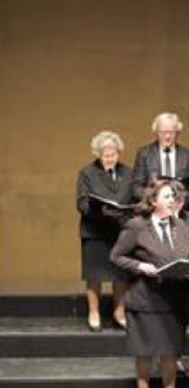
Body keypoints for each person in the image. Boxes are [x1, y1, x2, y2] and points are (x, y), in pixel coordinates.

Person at [110, 180, 189, 388]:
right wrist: (140, 266)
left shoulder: (181, 225)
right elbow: (116, 256)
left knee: (170, 351)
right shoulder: (136, 226)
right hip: (145, 298)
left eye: (173, 197)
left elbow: (188, 254)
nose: (172, 201)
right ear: (153, 201)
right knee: (144, 352)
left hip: (173, 299)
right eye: (167, 197)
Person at [76, 131, 133, 331]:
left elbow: (135, 198)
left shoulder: (128, 173)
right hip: (95, 231)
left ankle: (119, 312)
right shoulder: (87, 173)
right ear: (98, 154)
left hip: (120, 231)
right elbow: (81, 203)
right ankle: (94, 312)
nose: (110, 158)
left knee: (121, 275)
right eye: (106, 154)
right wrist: (99, 210)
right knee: (94, 275)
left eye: (113, 154)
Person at [131, 112, 189, 201]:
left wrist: (178, 200)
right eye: (163, 132)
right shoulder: (144, 154)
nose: (167, 136)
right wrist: (156, 197)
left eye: (171, 132)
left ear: (177, 133)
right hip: (152, 207)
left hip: (181, 207)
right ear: (156, 133)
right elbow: (136, 188)